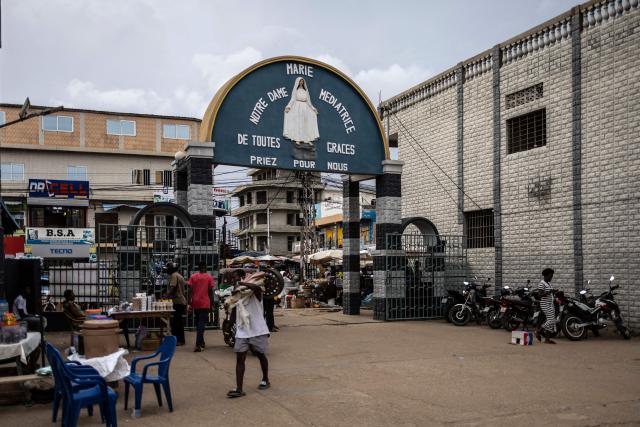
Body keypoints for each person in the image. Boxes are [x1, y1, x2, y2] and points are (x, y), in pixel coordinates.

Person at [227, 271, 271, 398]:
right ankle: (239, 388)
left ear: (242, 278)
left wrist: (242, 283)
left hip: (257, 329)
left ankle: (265, 379)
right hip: (242, 330)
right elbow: (234, 311)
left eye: (235, 278)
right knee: (240, 358)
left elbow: (256, 288)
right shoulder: (238, 296)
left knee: (260, 355)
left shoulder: (255, 292)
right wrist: (230, 326)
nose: (234, 281)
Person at [187, 262, 215, 352]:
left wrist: (189, 303)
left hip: (196, 302)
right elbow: (211, 292)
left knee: (198, 322)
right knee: (201, 324)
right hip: (205, 303)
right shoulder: (209, 277)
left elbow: (190, 291)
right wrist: (212, 304)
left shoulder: (193, 277)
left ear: (198, 268)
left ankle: (201, 342)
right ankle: (198, 344)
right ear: (205, 268)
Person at [164, 262, 187, 346]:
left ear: (171, 269)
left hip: (178, 301)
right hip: (181, 301)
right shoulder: (179, 275)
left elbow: (172, 288)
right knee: (178, 322)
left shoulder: (174, 275)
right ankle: (179, 339)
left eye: (168, 268)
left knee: (177, 322)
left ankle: (179, 340)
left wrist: (166, 295)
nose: (167, 270)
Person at [536, 268, 557, 344]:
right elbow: (540, 294)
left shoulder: (549, 283)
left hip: (550, 303)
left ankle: (547, 339)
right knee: (551, 320)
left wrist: (553, 292)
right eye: (551, 276)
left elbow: (549, 292)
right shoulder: (542, 283)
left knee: (551, 321)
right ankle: (538, 331)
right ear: (546, 275)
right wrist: (549, 292)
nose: (551, 277)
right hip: (545, 304)